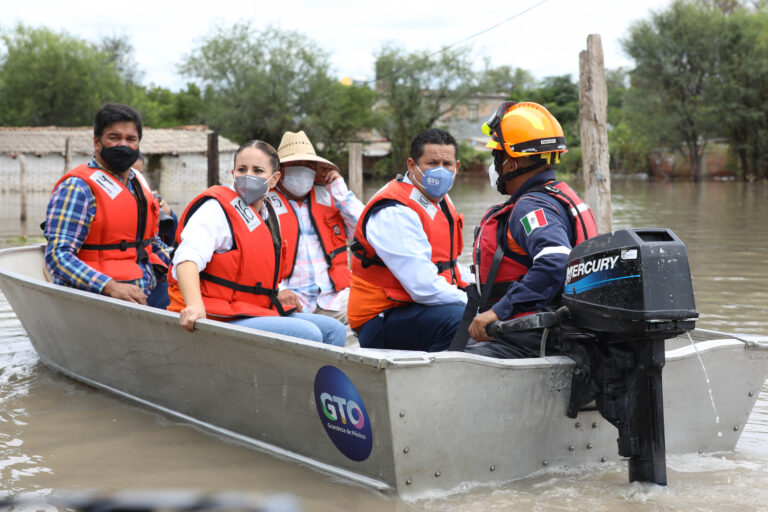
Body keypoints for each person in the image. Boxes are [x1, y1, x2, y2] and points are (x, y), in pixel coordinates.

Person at [166, 140, 346, 347]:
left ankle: (319, 379)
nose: (248, 175)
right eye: (242, 169)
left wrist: (277, 291)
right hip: (216, 311)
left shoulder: (269, 214)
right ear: (233, 173)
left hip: (251, 308)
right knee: (309, 334)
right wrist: (195, 306)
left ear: (274, 179)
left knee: (334, 330)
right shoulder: (215, 209)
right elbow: (187, 259)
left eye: (258, 170)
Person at [461, 101, 598, 358]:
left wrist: (498, 311)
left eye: (497, 157)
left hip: (528, 335)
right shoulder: (561, 197)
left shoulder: (530, 209)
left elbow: (556, 262)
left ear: (511, 164)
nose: (495, 166)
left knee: (456, 369)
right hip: (562, 327)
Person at [348, 128, 472, 352]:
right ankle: (439, 381)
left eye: (447, 165)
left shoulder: (440, 198)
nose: (441, 172)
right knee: (462, 317)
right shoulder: (394, 211)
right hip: (380, 318)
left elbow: (449, 264)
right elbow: (422, 287)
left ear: (457, 168)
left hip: (417, 308)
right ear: (412, 165)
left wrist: (482, 289)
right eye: (432, 163)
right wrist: (474, 304)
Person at [43, 103, 171, 308]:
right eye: (114, 137)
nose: (124, 145)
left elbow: (152, 242)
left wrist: (180, 265)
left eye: (131, 139)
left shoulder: (138, 182)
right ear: (97, 142)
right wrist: (109, 286)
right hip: (102, 300)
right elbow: (58, 256)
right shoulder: (78, 188)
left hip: (150, 289)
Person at [267, 131, 363, 344]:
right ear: (279, 171)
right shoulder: (263, 204)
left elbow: (366, 230)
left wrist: (339, 188)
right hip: (289, 302)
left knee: (374, 314)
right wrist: (278, 290)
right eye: (294, 164)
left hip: (333, 299)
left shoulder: (329, 198)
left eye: (308, 165)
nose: (302, 170)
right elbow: (253, 257)